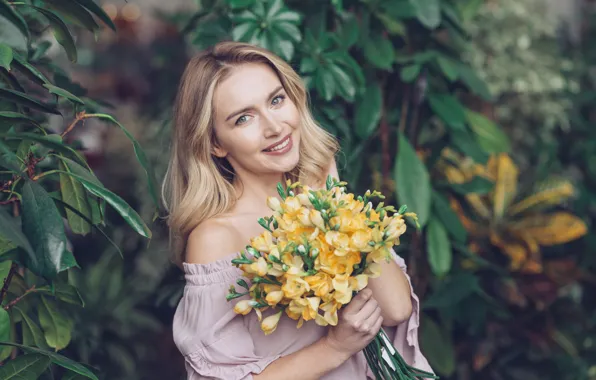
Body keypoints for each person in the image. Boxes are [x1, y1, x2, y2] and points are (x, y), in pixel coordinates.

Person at [162, 41, 433, 380]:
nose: (274, 127)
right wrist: (334, 347)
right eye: (244, 118)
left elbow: (396, 308)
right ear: (215, 143)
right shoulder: (217, 237)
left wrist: (335, 206)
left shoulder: (320, 200)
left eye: (276, 100)